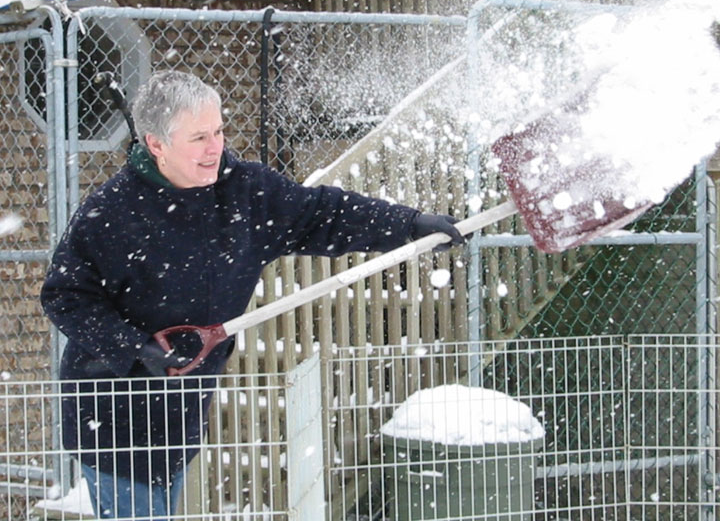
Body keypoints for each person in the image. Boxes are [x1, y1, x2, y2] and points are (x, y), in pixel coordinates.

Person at [41, 70, 466, 519]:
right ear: (156, 145)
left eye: (218, 131)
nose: (215, 147)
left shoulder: (244, 192)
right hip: (113, 416)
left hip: (182, 411)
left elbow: (323, 213)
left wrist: (408, 225)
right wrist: (134, 348)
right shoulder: (111, 211)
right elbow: (64, 295)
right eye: (199, 137)